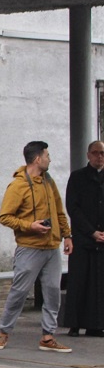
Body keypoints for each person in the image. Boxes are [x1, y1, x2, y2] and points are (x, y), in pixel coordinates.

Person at [0, 140, 73, 353]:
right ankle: (4, 332)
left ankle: (48, 336)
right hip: (29, 248)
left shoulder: (48, 181)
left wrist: (67, 235)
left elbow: (59, 210)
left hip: (51, 247)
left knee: (53, 291)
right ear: (37, 159)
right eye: (47, 155)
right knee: (19, 292)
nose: (50, 159)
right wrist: (30, 226)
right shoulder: (18, 186)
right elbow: (4, 216)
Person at [63, 140, 104, 337]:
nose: (99, 157)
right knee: (79, 282)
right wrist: (91, 232)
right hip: (83, 238)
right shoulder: (77, 177)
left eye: (102, 153)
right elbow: (73, 208)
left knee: (99, 284)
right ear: (88, 155)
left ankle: (96, 324)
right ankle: (74, 324)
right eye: (95, 153)